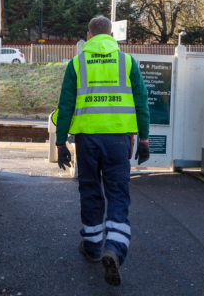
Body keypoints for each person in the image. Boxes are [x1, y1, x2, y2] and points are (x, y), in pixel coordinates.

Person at [55, 15, 150, 286]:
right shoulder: (127, 61)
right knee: (118, 192)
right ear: (111, 35)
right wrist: (143, 139)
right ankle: (115, 249)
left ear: (88, 35)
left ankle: (94, 248)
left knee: (90, 190)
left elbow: (65, 106)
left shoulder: (77, 62)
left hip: (87, 140)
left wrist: (61, 143)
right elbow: (142, 102)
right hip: (119, 139)